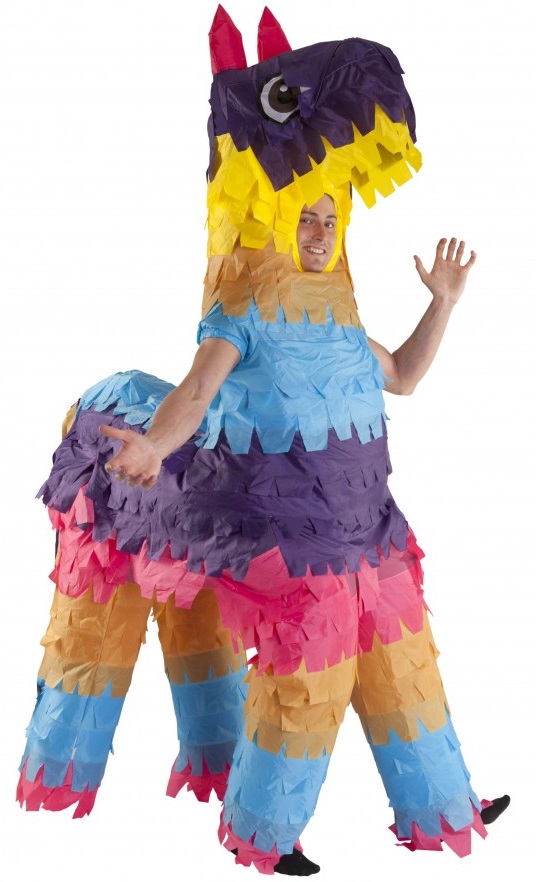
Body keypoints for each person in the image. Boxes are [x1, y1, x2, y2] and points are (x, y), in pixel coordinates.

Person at [17, 11, 509, 876]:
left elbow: (404, 377)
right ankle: (255, 828)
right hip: (287, 538)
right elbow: (194, 392)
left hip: (366, 526)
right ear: (269, 222)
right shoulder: (240, 319)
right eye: (301, 219)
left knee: (400, 635)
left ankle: (441, 806)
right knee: (311, 655)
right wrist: (151, 448)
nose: (317, 233)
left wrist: (443, 302)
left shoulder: (343, 327)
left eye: (328, 218)